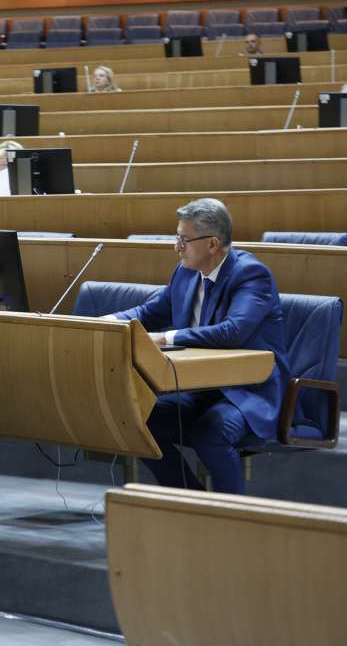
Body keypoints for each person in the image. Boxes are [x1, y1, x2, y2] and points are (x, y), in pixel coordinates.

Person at [103, 198, 289, 494]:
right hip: (198, 386)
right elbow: (150, 313)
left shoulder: (251, 275)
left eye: (183, 239)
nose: (176, 246)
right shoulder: (185, 271)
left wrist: (166, 337)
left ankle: (232, 516)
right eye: (177, 237)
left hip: (247, 392)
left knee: (211, 432)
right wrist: (106, 322)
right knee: (137, 420)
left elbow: (233, 332)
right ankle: (190, 500)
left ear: (213, 244)